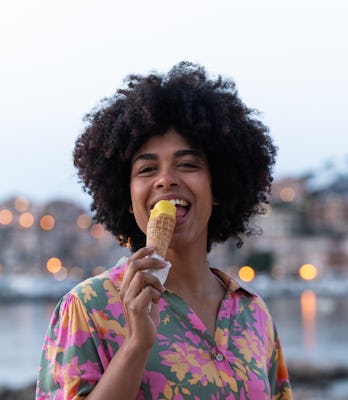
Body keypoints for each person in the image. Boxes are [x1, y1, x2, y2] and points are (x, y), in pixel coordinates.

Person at [36, 61, 293, 399]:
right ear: (127, 197)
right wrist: (136, 345)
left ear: (218, 188)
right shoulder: (87, 307)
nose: (166, 179)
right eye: (147, 169)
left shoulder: (253, 312)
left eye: (187, 164)